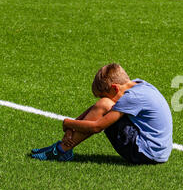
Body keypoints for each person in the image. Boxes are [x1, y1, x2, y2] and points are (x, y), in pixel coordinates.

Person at [31, 63, 173, 164]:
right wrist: (70, 128)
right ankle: (63, 147)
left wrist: (67, 122)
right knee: (103, 105)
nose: (102, 99)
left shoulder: (132, 98)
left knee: (105, 105)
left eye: (104, 95)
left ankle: (61, 150)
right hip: (158, 151)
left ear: (115, 88)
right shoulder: (139, 84)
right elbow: (95, 109)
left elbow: (96, 127)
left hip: (145, 153)